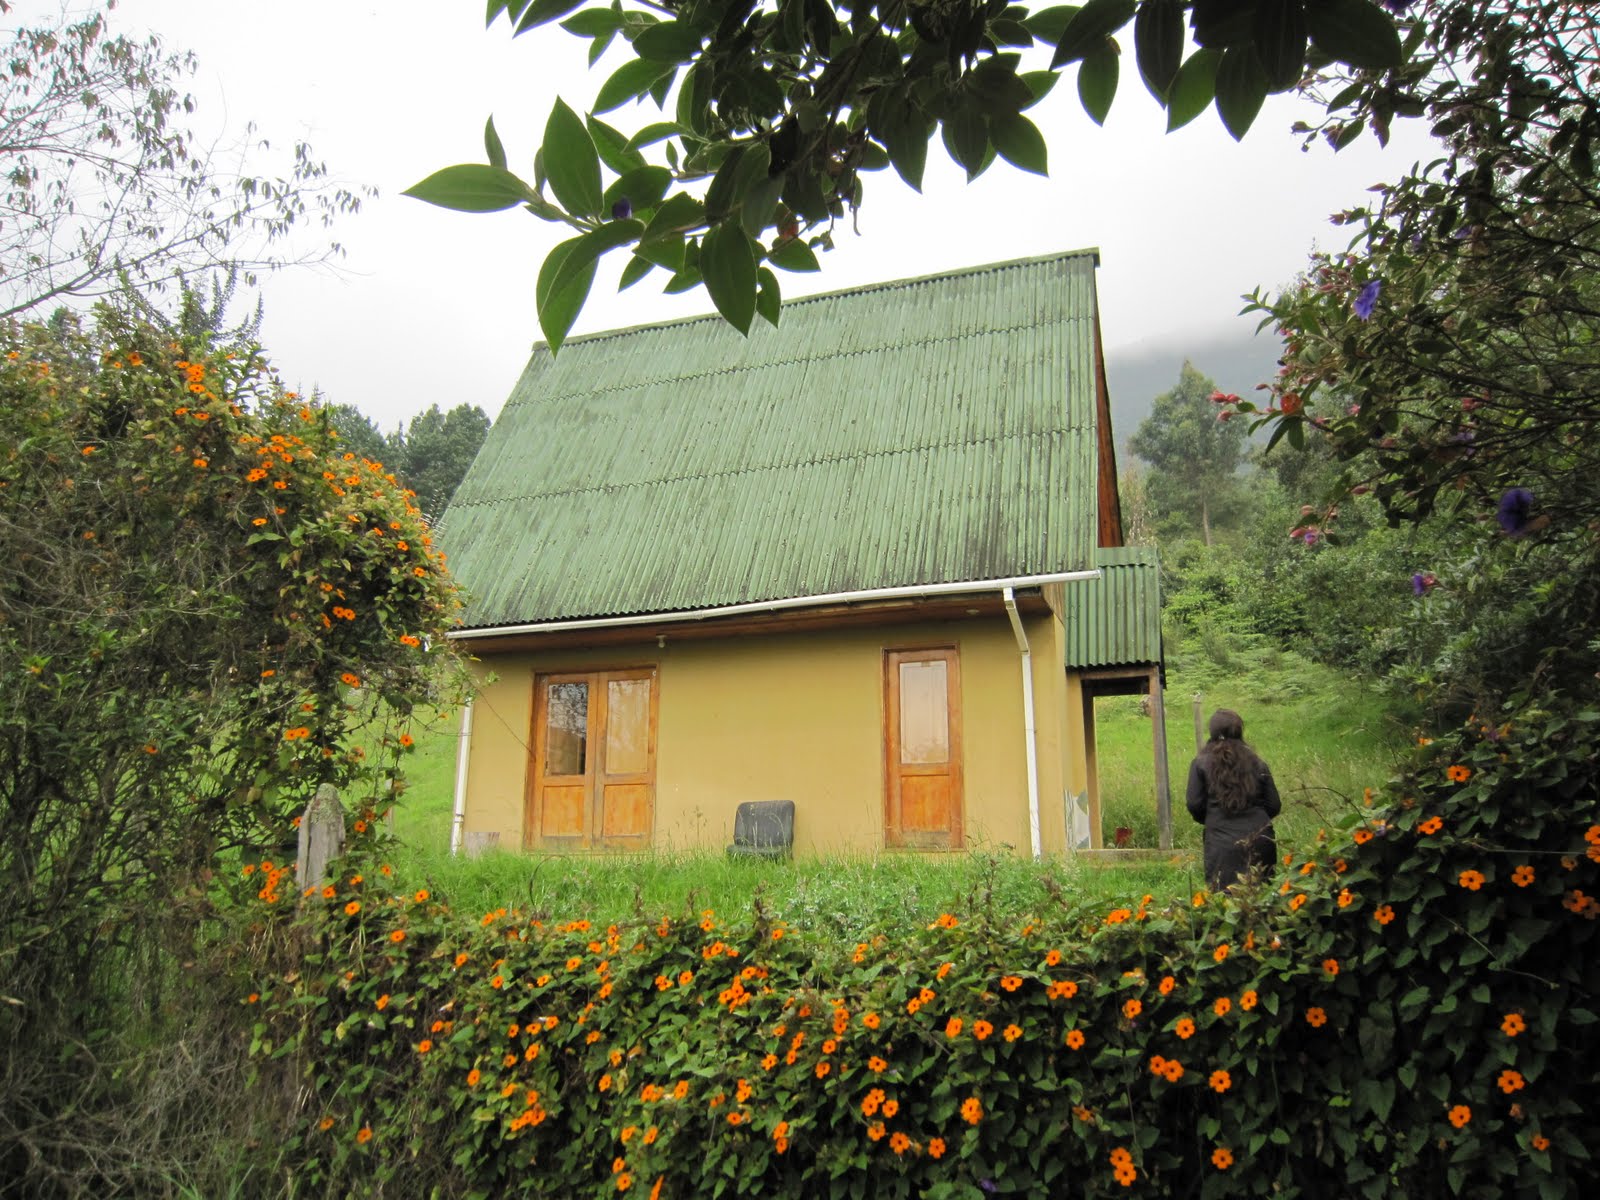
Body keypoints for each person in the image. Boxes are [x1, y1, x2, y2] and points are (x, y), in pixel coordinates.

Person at [1186, 709, 1280, 889]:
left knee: (1225, 903)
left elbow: (1194, 804)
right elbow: (1274, 805)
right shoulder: (1257, 762)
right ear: (1240, 731)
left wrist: (1213, 819)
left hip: (1221, 844)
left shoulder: (1200, 762)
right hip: (1261, 840)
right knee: (1264, 899)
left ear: (1212, 732)